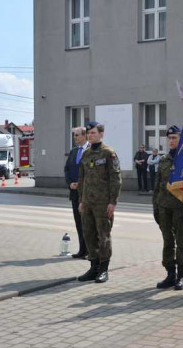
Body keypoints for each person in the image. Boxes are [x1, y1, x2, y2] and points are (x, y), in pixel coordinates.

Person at [77, 121, 122, 283]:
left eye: (93, 133)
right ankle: (93, 267)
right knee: (88, 234)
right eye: (88, 133)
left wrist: (113, 202)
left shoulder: (109, 153)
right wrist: (81, 200)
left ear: (101, 134)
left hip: (103, 204)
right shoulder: (86, 154)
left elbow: (116, 179)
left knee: (103, 236)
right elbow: (82, 179)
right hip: (88, 202)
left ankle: (103, 269)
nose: (90, 135)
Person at [153, 126, 183, 290]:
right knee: (168, 241)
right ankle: (170, 274)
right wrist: (155, 207)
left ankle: (181, 276)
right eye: (169, 138)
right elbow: (157, 186)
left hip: (181, 209)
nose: (171, 141)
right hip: (164, 208)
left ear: (181, 139)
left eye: (174, 138)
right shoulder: (163, 160)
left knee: (181, 242)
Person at [64, 126, 90, 259]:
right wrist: (70, 183)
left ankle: (91, 251)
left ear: (85, 136)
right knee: (79, 222)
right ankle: (82, 250)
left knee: (88, 223)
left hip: (87, 193)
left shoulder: (91, 151)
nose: (75, 137)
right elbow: (67, 170)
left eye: (77, 135)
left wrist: (82, 184)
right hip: (75, 193)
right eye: (74, 135)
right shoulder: (73, 151)